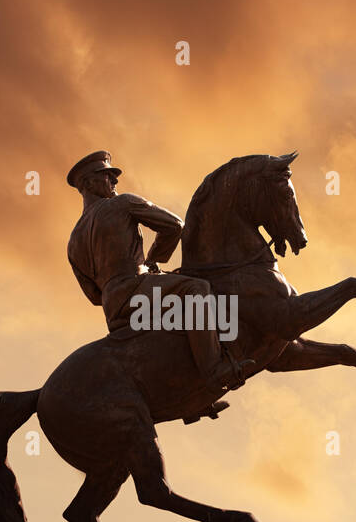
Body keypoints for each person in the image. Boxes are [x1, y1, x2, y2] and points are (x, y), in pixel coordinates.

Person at [66, 150, 251, 396]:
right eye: (107, 176)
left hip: (113, 309)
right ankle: (213, 369)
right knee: (197, 289)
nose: (115, 181)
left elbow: (93, 296)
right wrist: (152, 261)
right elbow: (175, 226)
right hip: (135, 287)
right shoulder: (122, 203)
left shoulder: (73, 240)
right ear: (88, 183)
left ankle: (194, 399)